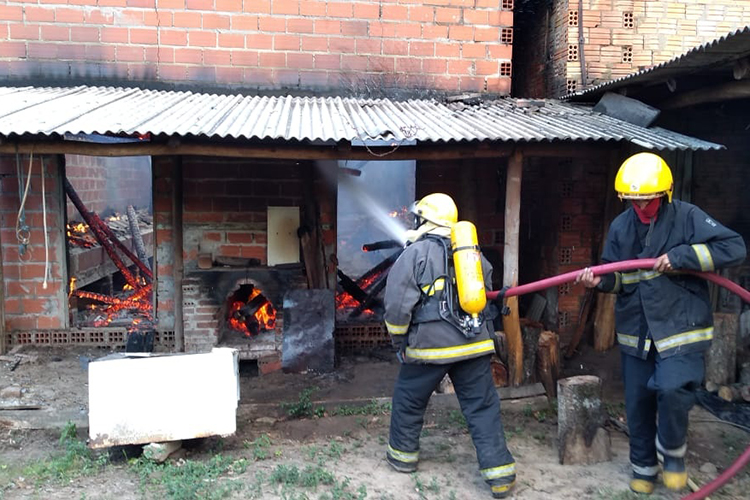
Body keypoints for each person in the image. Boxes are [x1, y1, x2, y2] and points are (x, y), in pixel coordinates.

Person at [576, 152, 746, 495]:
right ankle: (644, 469)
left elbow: (734, 246)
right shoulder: (621, 227)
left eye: (648, 200)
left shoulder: (687, 217)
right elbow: (618, 276)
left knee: (672, 390)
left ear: (664, 194)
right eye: (634, 200)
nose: (641, 207)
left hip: (680, 327)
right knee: (638, 402)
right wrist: (600, 281)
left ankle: (672, 451)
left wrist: (684, 256)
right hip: (637, 332)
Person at [382, 192, 516, 499]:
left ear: (424, 220)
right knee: (482, 407)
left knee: (408, 399)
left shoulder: (414, 254)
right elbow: (485, 295)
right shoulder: (473, 254)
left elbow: (397, 307)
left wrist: (399, 342)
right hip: (474, 345)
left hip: (430, 349)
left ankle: (402, 457)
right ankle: (500, 475)